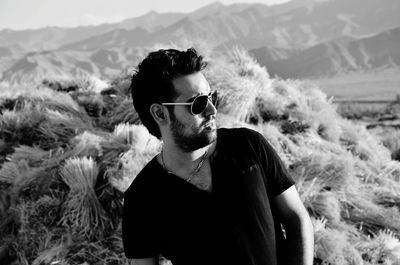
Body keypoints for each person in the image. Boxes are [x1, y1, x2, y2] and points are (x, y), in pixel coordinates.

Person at [122, 48, 314, 265]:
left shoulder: (250, 146)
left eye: (211, 97)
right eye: (198, 104)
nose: (212, 110)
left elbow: (296, 218)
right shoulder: (142, 199)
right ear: (160, 114)